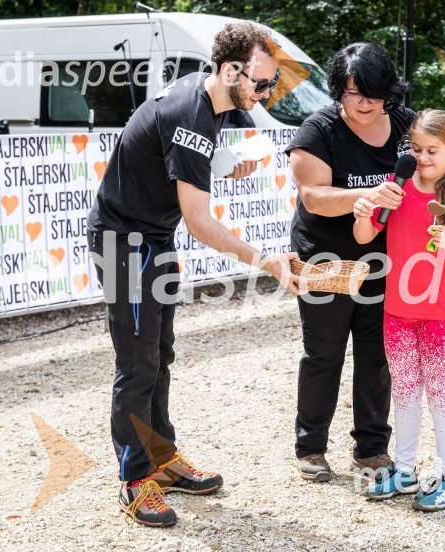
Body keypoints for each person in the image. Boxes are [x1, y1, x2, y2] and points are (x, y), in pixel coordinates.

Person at [87, 22, 302, 527]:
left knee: (159, 354)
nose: (266, 92)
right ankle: (133, 481)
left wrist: (222, 165)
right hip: (124, 241)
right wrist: (266, 261)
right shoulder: (191, 113)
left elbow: (177, 159)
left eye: (271, 83)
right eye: (262, 82)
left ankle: (161, 460)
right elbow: (200, 222)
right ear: (230, 71)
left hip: (151, 237)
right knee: (137, 363)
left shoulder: (212, 100)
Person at [285, 42, 414, 481]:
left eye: (373, 94)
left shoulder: (404, 122)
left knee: (377, 357)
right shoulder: (317, 131)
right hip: (326, 261)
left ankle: (372, 448)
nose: (363, 103)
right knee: (323, 354)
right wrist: (370, 194)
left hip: (384, 260)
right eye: (352, 93)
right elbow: (314, 197)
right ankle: (311, 448)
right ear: (338, 90)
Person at [352, 109, 445, 511]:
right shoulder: (396, 188)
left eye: (432, 150)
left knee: (441, 393)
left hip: (443, 314)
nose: (423, 158)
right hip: (398, 311)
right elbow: (364, 235)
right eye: (417, 149)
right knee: (405, 392)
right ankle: (406, 470)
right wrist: (363, 212)